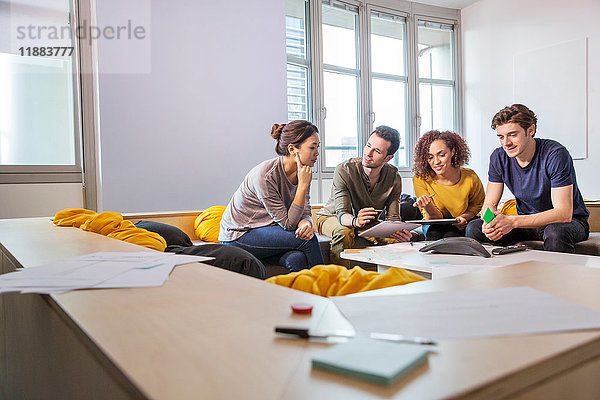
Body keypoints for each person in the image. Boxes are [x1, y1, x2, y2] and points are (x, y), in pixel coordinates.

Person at [465, 104, 589, 253]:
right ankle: (492, 275)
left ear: (531, 130)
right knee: (474, 228)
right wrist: (489, 221)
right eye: (501, 137)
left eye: (512, 135)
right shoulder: (498, 157)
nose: (506, 143)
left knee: (555, 232)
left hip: (568, 223)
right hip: (526, 223)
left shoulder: (555, 154)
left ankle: (555, 277)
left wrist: (512, 221)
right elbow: (488, 204)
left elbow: (563, 213)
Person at [219, 120, 324, 272]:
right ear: (292, 149)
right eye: (312, 148)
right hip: (238, 235)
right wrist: (302, 186)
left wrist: (306, 224)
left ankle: (301, 295)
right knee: (308, 240)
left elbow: (305, 211)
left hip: (266, 231)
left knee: (296, 258)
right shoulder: (265, 176)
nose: (317, 153)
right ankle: (328, 290)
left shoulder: (303, 172)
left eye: (317, 147)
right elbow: (288, 224)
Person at [316, 126, 413, 267]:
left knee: (398, 240)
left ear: (388, 158)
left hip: (366, 223)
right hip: (332, 217)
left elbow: (393, 219)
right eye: (368, 145)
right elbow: (341, 213)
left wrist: (399, 233)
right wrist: (355, 221)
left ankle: (389, 282)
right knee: (344, 232)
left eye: (377, 151)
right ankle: (339, 282)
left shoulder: (394, 177)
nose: (368, 153)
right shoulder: (345, 170)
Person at [412, 130, 485, 241]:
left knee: (452, 236)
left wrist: (464, 217)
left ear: (453, 151)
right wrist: (427, 206)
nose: (436, 162)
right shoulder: (421, 179)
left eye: (441, 155)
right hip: (434, 222)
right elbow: (434, 219)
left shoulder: (470, 177)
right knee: (434, 234)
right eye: (430, 157)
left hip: (462, 222)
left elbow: (477, 205)